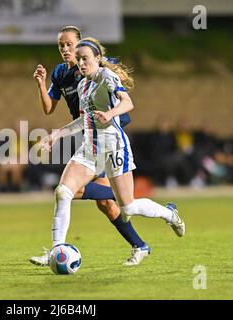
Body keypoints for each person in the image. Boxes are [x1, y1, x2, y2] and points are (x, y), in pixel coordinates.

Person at [34, 37, 186, 266]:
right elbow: (82, 120)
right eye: (79, 60)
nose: (81, 63)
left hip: (114, 146)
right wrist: (56, 134)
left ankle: (169, 214)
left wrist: (111, 113)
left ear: (97, 58)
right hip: (90, 149)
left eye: (85, 59)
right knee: (63, 192)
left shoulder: (107, 77)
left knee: (128, 207)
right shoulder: (83, 85)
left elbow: (127, 103)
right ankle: (57, 251)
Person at [31, 26, 147, 267]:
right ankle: (139, 244)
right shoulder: (61, 73)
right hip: (88, 136)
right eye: (60, 45)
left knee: (71, 192)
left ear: (80, 44)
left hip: (109, 137)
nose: (65, 49)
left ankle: (57, 248)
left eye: (69, 44)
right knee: (103, 202)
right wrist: (41, 84)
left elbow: (118, 85)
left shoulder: (94, 65)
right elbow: (48, 108)